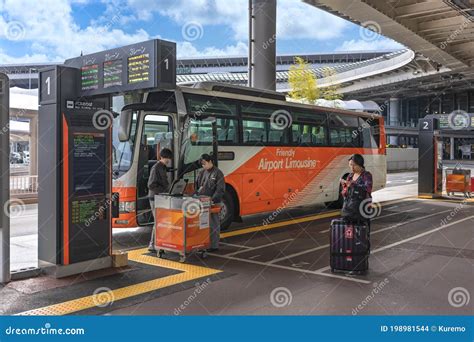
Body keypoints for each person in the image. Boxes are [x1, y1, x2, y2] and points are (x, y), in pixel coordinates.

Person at [195, 153, 225, 252]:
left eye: (204, 163)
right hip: (202, 202)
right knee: (203, 225)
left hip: (213, 203)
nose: (203, 166)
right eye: (202, 164)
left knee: (213, 224)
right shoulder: (202, 172)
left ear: (210, 161)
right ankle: (204, 244)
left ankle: (214, 245)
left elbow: (220, 189)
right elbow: (198, 186)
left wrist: (212, 200)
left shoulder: (218, 173)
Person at [147, 148, 173, 252]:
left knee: (161, 221)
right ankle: (152, 245)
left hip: (161, 197)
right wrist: (163, 191)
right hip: (155, 198)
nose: (168, 160)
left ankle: (159, 243)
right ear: (161, 157)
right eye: (166, 158)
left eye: (169, 158)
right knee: (158, 221)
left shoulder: (163, 167)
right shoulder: (156, 167)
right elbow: (151, 184)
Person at [340, 153, 373, 222]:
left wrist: (352, 184)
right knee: (348, 230)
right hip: (349, 210)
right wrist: (344, 186)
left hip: (362, 210)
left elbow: (368, 188)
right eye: (350, 165)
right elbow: (345, 194)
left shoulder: (366, 175)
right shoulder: (350, 176)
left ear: (360, 164)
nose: (352, 167)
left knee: (362, 231)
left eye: (354, 165)